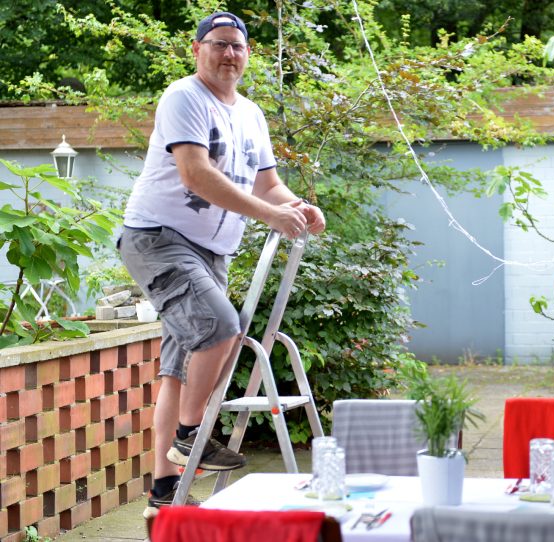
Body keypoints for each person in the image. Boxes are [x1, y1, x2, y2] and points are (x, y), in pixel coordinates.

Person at [117, 12, 325, 515]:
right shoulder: (184, 97)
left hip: (213, 251)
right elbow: (194, 173)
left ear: (248, 55)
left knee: (177, 371)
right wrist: (271, 215)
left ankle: (165, 492)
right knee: (219, 326)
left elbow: (267, 184)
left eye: (238, 46)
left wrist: (296, 206)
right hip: (158, 238)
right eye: (219, 44)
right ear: (197, 50)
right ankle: (191, 435)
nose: (229, 53)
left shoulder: (251, 114)